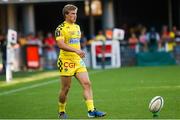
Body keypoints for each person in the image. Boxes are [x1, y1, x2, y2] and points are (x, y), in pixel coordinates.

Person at [55, 4, 106, 119]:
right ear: (66, 15)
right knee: (66, 88)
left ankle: (91, 110)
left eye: (76, 13)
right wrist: (76, 50)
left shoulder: (77, 27)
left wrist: (79, 51)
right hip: (65, 61)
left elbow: (75, 42)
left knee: (87, 83)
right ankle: (61, 111)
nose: (75, 16)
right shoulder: (60, 28)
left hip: (77, 61)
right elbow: (61, 44)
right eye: (72, 14)